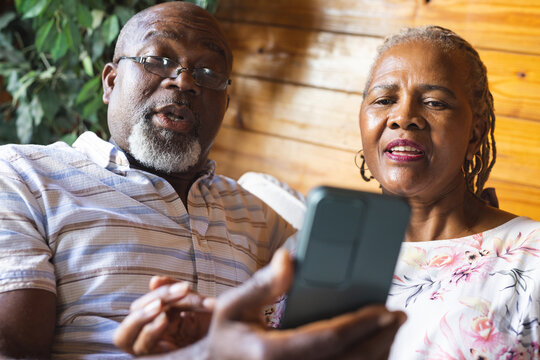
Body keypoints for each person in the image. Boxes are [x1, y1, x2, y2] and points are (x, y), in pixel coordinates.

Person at [0, 2, 405, 359]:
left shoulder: (259, 218)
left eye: (209, 72)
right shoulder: (24, 177)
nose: (185, 81)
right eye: (158, 59)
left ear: (225, 105)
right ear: (110, 82)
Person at [356, 25, 540, 358]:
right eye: (384, 100)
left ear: (475, 133)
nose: (403, 117)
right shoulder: (317, 248)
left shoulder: (531, 259)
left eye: (434, 103)